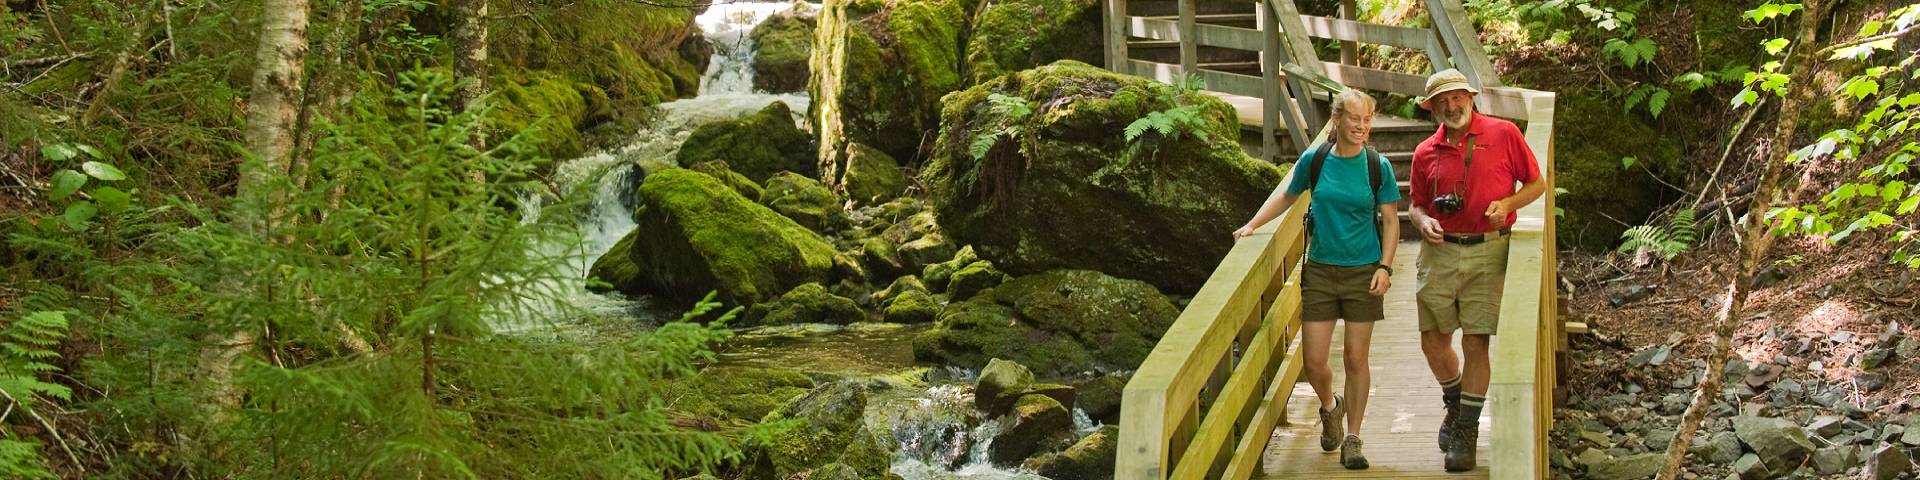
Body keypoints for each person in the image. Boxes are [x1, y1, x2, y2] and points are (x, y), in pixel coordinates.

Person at [1233, 88, 1400, 470]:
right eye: (1354, 118)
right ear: (1337, 120)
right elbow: (1288, 197)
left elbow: (1391, 221)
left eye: (1367, 120)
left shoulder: (1378, 166)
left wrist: (1385, 267)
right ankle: (1330, 407)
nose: (1361, 126)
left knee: (1357, 358)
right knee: (1313, 362)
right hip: (1321, 270)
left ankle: (1354, 438)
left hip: (1363, 271)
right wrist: (1252, 225)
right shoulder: (1317, 159)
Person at [1406, 69, 1546, 472]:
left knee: (1476, 342)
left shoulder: (1503, 133)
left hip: (1488, 249)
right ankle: (1455, 402)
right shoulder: (1424, 152)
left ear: (1470, 96)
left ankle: (1466, 431)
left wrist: (1507, 205)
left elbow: (1537, 184)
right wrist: (1421, 221)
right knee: (1432, 340)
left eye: (1456, 97)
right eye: (1441, 102)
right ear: (1432, 109)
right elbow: (1416, 203)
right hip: (1440, 251)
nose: (1451, 107)